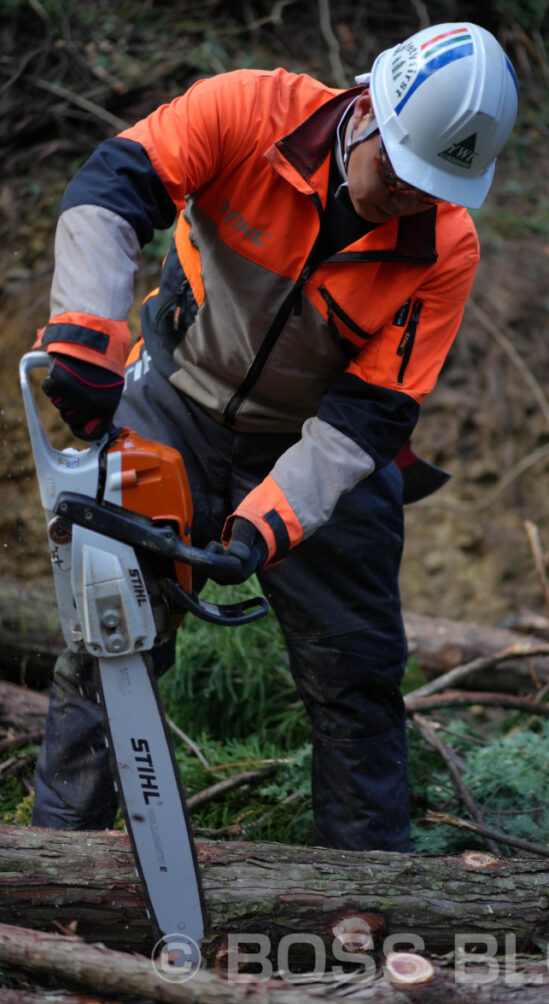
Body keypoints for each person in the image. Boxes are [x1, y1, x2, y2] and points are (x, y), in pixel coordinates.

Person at [30, 22, 518, 851]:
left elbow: (370, 415)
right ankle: (56, 861)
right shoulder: (247, 112)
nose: (406, 197)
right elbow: (112, 187)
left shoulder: (444, 248)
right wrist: (84, 328)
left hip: (315, 438)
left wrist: (268, 524)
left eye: (431, 187)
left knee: (355, 670)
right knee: (106, 634)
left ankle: (361, 901)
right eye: (398, 172)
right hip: (175, 395)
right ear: (367, 109)